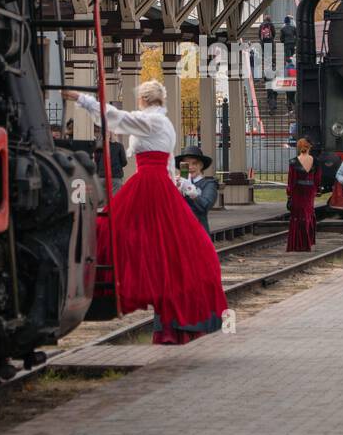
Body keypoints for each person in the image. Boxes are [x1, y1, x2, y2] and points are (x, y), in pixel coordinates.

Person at [62, 81, 227, 344]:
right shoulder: (165, 123)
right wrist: (181, 184)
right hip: (157, 182)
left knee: (112, 231)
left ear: (144, 100)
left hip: (149, 183)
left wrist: (83, 100)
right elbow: (169, 161)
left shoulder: (151, 121)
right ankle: (171, 323)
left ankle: (98, 286)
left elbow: (117, 119)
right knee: (162, 248)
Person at [286, 137, 321, 252]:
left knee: (297, 216)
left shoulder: (293, 162)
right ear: (309, 147)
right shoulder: (315, 161)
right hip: (309, 190)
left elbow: (291, 180)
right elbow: (317, 178)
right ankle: (308, 242)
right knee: (308, 214)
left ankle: (297, 244)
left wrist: (289, 193)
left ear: (299, 147)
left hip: (298, 191)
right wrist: (315, 190)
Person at [175, 147, 219, 236]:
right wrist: (173, 189)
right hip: (178, 232)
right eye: (186, 164)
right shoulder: (178, 183)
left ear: (201, 165)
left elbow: (205, 206)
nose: (190, 167)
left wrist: (193, 193)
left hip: (198, 232)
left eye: (194, 163)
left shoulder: (209, 184)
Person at [95, 129, 127, 197]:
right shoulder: (119, 146)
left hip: (101, 177)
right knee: (115, 201)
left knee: (103, 203)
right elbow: (124, 162)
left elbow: (96, 161)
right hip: (115, 177)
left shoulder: (99, 147)